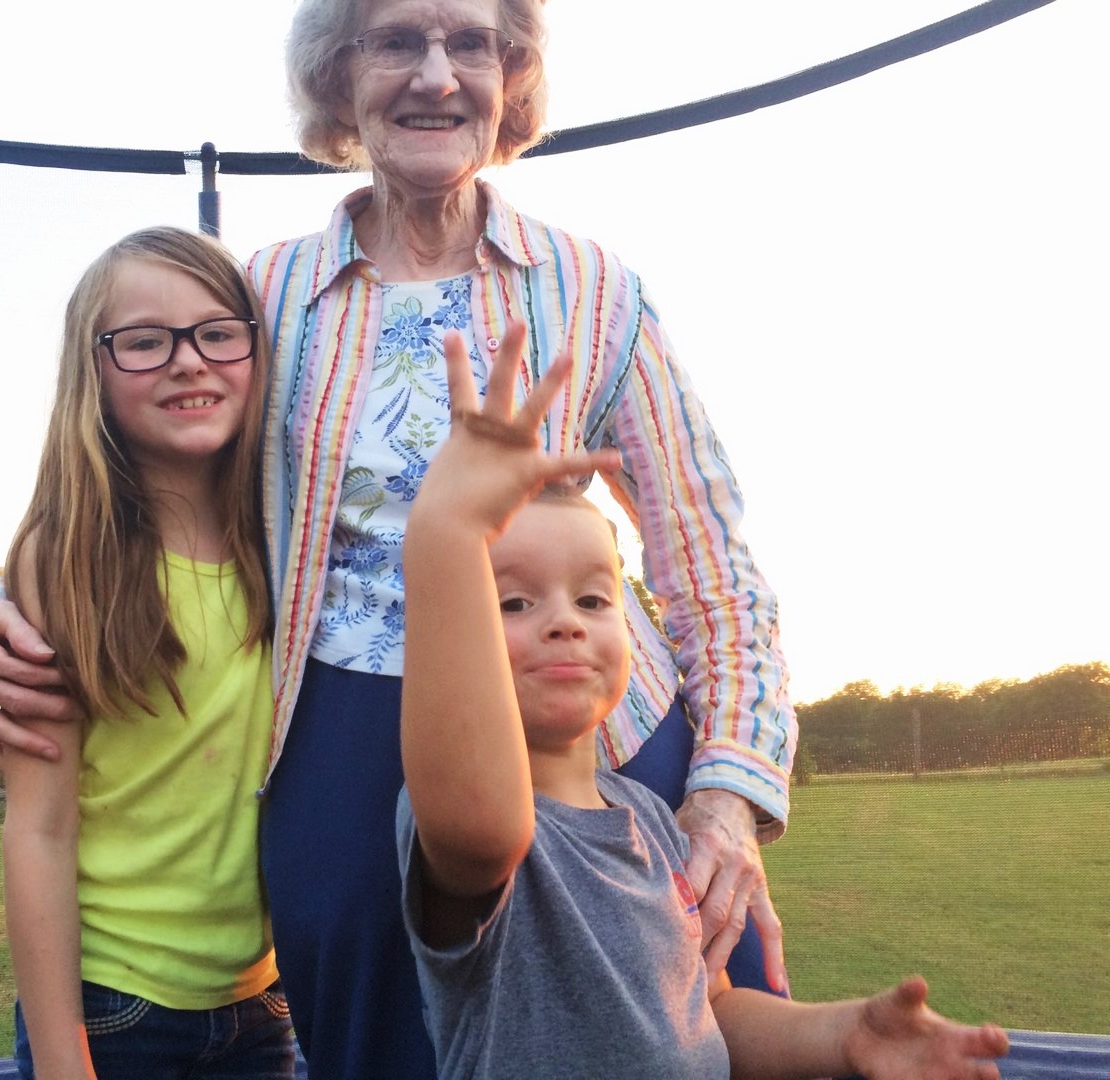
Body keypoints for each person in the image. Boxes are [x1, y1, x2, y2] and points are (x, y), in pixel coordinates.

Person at [0, 1, 798, 1075]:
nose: (436, 75)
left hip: (588, 740)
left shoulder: (594, 289)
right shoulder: (263, 297)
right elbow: (131, 487)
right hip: (340, 752)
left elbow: (711, 559)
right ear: (338, 79)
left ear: (511, 76)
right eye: (396, 41)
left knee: (693, 1033)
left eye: (471, 43)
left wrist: (727, 792)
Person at [397, 326, 1010, 1079]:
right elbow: (481, 829)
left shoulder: (654, 820)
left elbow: (710, 1016)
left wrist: (846, 1034)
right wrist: (447, 532)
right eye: (514, 602)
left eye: (594, 599)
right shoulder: (464, 824)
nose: (565, 621)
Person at [0, 226, 295, 1079]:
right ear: (91, 369)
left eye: (218, 332)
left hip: (262, 1004)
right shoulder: (66, 559)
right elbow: (39, 829)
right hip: (114, 1009)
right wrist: (64, 1062)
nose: (188, 361)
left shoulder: (289, 544)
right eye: (143, 342)